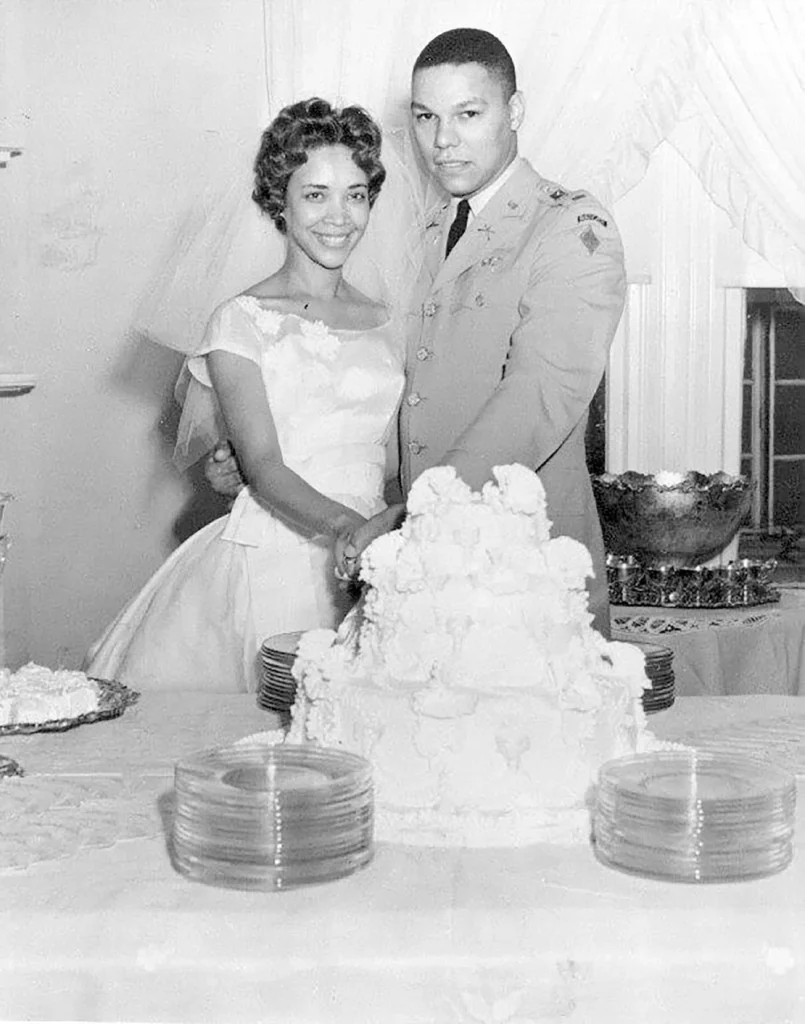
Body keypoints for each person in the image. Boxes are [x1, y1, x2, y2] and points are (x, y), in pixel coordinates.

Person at [208, 28, 626, 637]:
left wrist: (419, 511)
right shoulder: (430, 232)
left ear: (515, 112)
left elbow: (542, 392)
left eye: (468, 114)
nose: (442, 141)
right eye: (426, 116)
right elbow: (407, 403)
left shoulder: (569, 227)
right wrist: (260, 465)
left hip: (520, 564)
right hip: (415, 575)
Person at [84, 98, 405, 691]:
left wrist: (391, 533)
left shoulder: (389, 320)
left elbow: (389, 456)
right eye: (315, 194)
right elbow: (263, 466)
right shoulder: (240, 321)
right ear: (278, 202)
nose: (339, 216)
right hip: (277, 558)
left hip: (377, 552)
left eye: (355, 194)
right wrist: (350, 530)